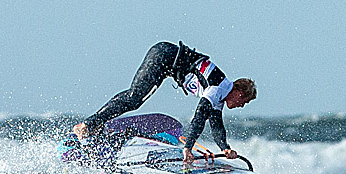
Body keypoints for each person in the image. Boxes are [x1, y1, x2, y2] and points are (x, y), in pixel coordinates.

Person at [73, 41, 256, 164]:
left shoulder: (221, 93)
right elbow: (199, 117)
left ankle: (94, 125)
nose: (242, 106)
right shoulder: (217, 88)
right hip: (163, 56)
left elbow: (216, 123)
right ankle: (88, 125)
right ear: (239, 93)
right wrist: (188, 148)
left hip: (165, 58)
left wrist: (225, 148)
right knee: (134, 98)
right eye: (244, 102)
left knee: (134, 97)